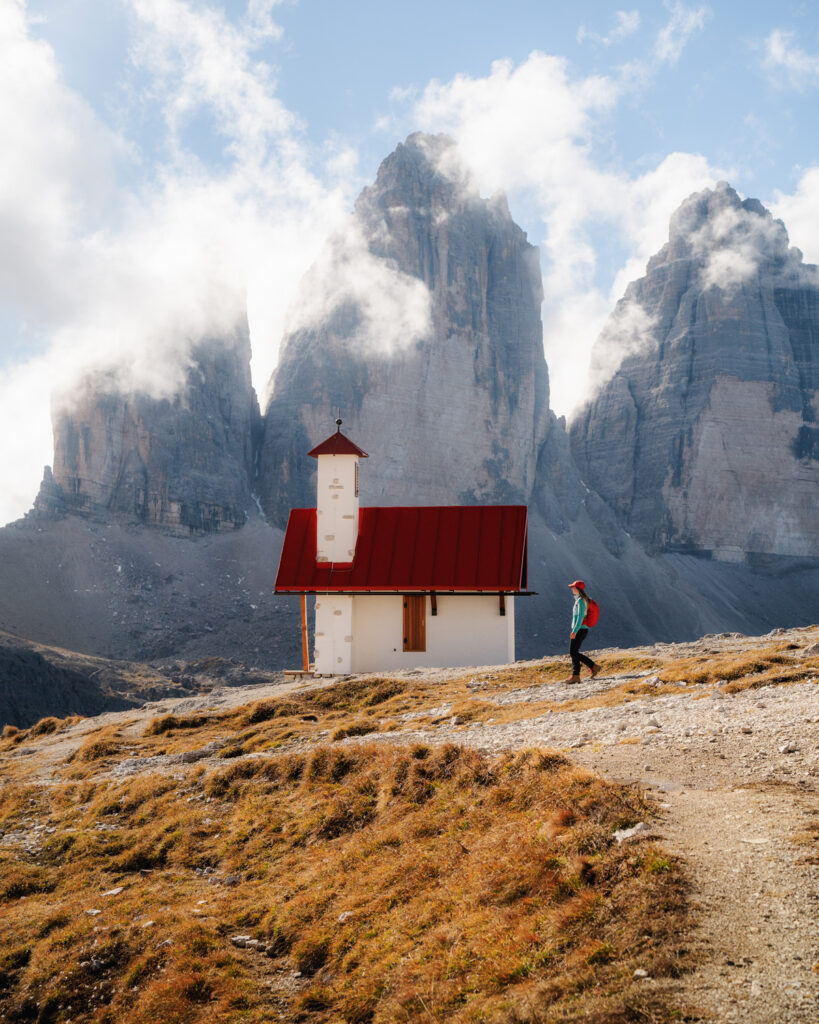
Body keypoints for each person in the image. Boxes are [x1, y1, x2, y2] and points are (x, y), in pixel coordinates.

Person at [567, 579, 601, 683]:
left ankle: (593, 666)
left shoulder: (581, 601)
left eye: (573, 587)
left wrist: (574, 631)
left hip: (580, 630)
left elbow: (580, 617)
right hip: (581, 629)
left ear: (578, 589)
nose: (572, 588)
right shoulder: (580, 600)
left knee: (573, 652)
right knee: (574, 652)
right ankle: (576, 675)